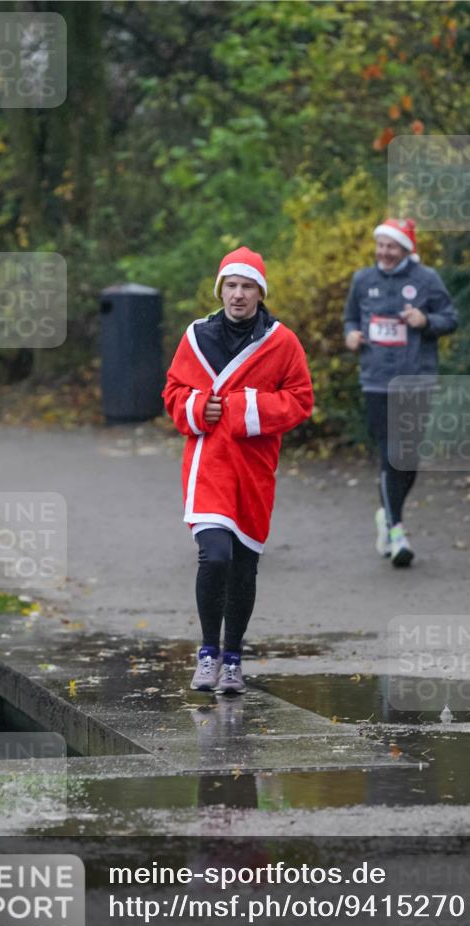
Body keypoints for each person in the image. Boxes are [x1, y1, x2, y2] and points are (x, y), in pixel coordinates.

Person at [163, 247, 313, 694]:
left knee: (244, 566)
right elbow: (173, 392)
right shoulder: (196, 337)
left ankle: (233, 658)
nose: (238, 295)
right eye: (231, 285)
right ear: (220, 289)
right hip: (208, 463)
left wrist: (245, 408)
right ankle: (208, 653)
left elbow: (301, 399)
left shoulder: (282, 342)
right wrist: (196, 407)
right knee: (216, 555)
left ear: (260, 293)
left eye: (247, 286)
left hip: (253, 468)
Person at [343, 217, 458, 567]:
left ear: (406, 248)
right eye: (381, 245)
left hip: (416, 379)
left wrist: (427, 322)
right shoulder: (363, 279)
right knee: (389, 453)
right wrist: (351, 336)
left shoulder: (427, 280)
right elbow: (350, 318)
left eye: (392, 246)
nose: (384, 252)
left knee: (408, 458)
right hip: (376, 380)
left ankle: (387, 515)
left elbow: (450, 317)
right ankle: (397, 532)